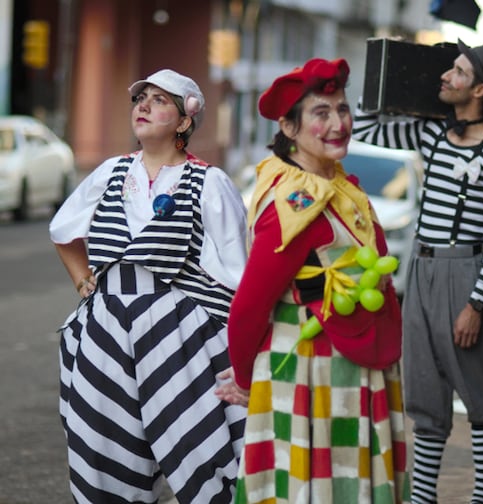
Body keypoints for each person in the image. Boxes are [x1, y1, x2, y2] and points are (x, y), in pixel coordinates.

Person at [214, 58, 410, 503]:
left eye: (342, 109)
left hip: (354, 360)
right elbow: (249, 306)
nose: (339, 123)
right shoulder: (296, 200)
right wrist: (246, 382)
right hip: (312, 368)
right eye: (321, 113)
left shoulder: (339, 184)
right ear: (289, 127)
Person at [50, 69, 247, 503]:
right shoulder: (111, 172)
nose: (143, 105)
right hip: (106, 327)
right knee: (102, 448)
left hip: (176, 331)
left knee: (196, 447)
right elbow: (63, 230)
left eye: (159, 100)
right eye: (141, 98)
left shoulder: (208, 182)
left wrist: (243, 347)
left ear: (183, 122)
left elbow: (237, 271)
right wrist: (84, 281)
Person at [352, 40, 483, 503]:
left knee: (480, 394)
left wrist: (475, 304)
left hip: (464, 273)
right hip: (420, 269)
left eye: (459, 72)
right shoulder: (431, 135)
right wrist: (417, 85)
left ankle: (482, 498)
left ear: (480, 90)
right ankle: (422, 498)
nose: (446, 75)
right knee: (424, 393)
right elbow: (366, 127)